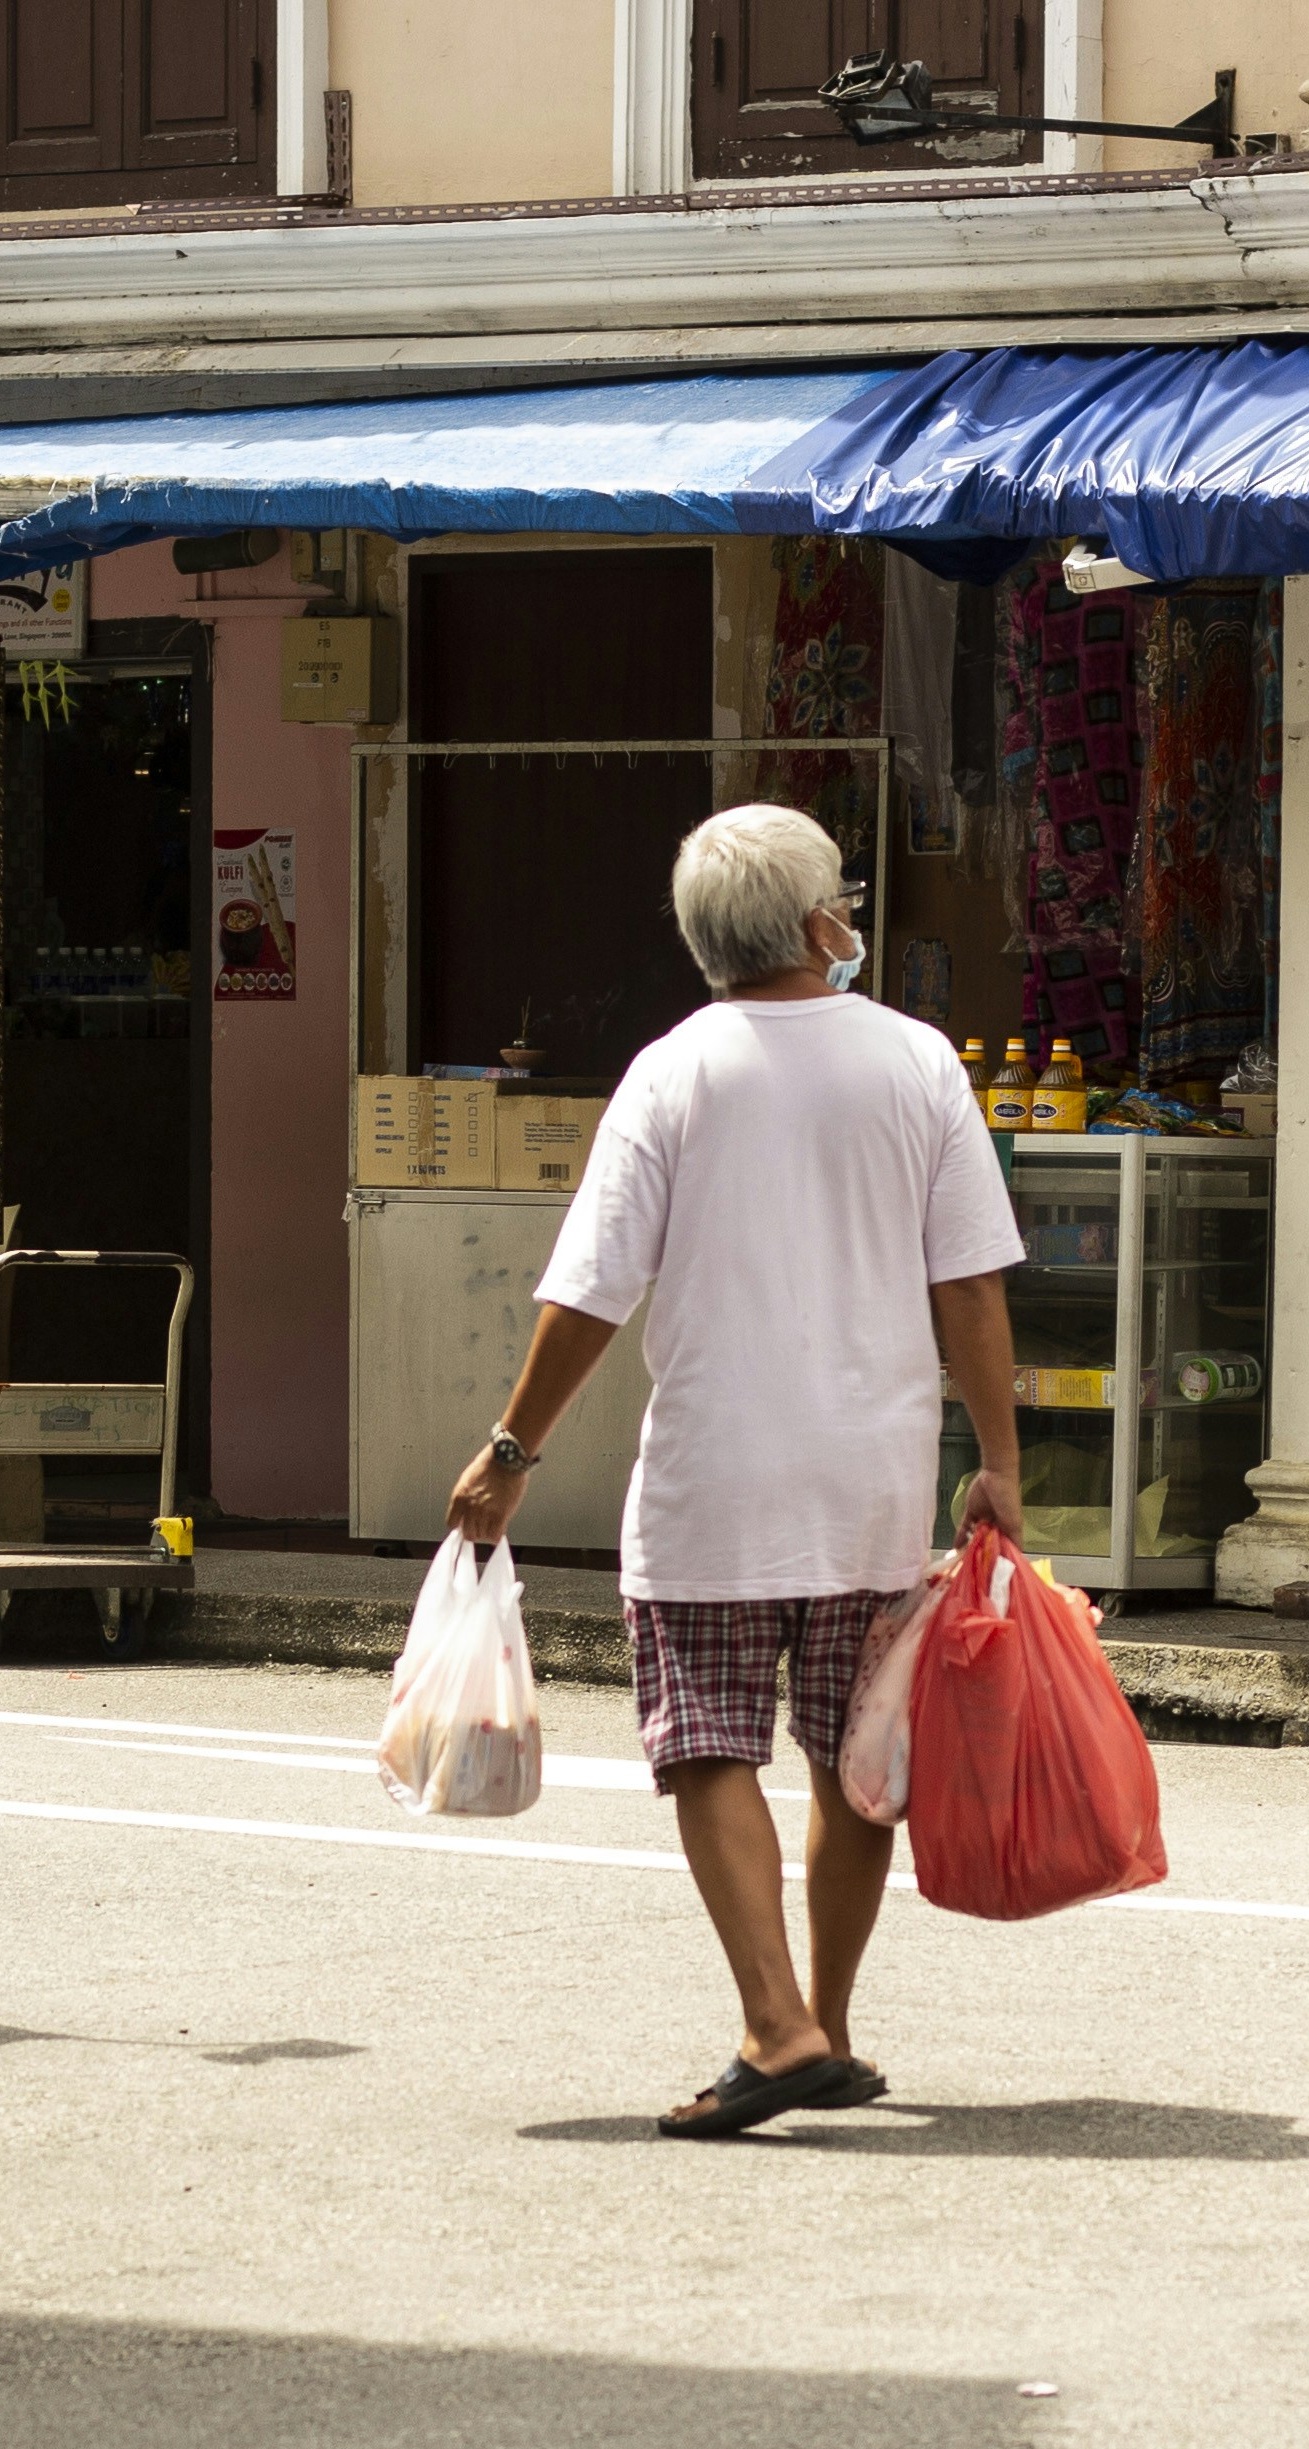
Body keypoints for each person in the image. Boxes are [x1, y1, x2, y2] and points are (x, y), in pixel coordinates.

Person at [451, 803, 1024, 2139]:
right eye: (846, 899)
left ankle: (779, 2029)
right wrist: (996, 1462)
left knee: (708, 1745)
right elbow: (973, 1292)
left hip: (717, 1481)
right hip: (872, 1482)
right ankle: (824, 2015)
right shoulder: (920, 1062)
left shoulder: (673, 1071)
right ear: (821, 924)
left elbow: (590, 1292)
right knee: (851, 1759)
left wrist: (512, 1447)